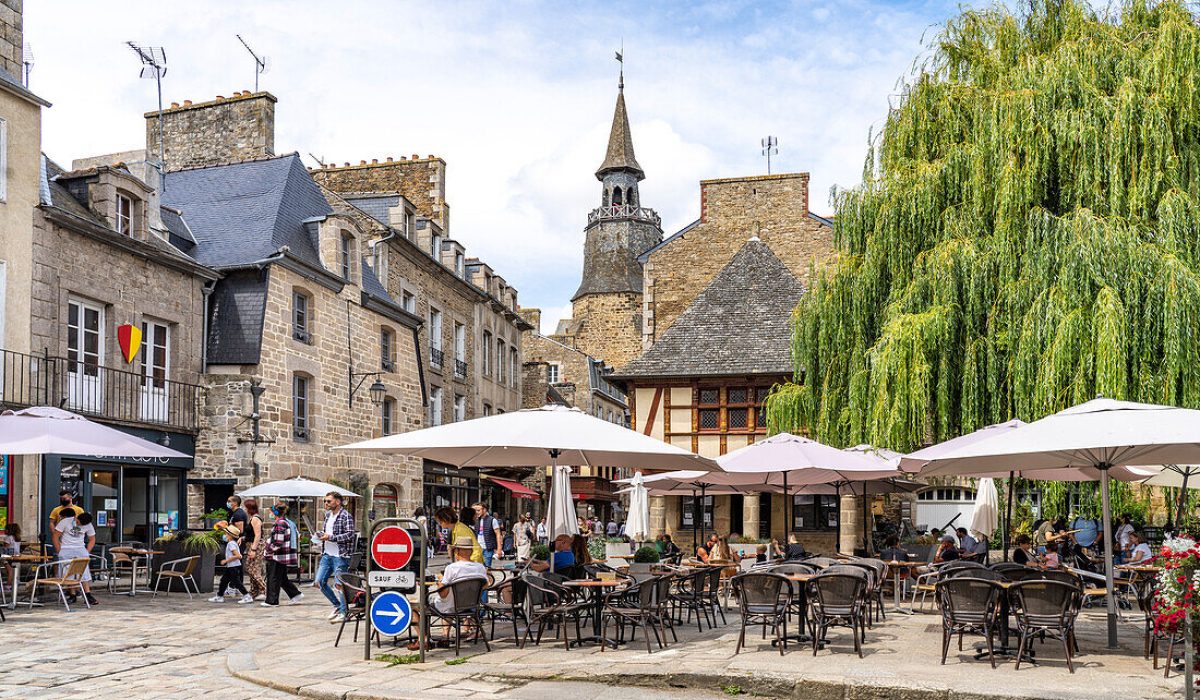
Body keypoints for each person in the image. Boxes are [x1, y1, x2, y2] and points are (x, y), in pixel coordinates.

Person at [316, 492, 356, 623]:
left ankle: (344, 613)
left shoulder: (346, 516)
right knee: (319, 582)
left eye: (328, 501)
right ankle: (337, 606)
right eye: (325, 501)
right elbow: (327, 533)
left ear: (337, 502)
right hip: (327, 554)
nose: (326, 504)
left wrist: (331, 537)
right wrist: (319, 536)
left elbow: (350, 535)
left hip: (341, 555)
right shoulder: (328, 515)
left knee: (339, 585)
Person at [262, 503, 304, 607]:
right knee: (281, 577)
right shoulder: (286, 522)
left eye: (270, 512)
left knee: (273, 577)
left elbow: (278, 542)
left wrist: (268, 548)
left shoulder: (280, 523)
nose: (269, 514)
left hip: (277, 555)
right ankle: (295, 594)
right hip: (282, 555)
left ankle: (272, 600)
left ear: (275, 512)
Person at [52, 509, 97, 606]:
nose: (78, 524)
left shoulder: (88, 525)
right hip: (66, 547)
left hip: (80, 548)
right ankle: (72, 594)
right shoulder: (65, 522)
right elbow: (55, 536)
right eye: (77, 522)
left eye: (80, 524)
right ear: (76, 517)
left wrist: (87, 551)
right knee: (68, 571)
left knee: (83, 570)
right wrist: (59, 550)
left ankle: (87, 594)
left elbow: (92, 539)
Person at [211, 524, 252, 603]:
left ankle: (247, 596)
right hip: (231, 566)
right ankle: (219, 596)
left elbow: (238, 556)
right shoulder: (233, 543)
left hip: (233, 567)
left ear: (230, 535)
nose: (225, 535)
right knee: (224, 581)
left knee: (237, 582)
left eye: (226, 534)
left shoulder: (231, 544)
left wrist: (226, 561)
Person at [242, 498, 267, 601]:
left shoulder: (256, 519)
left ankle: (263, 589)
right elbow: (251, 534)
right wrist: (243, 538)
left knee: (253, 569)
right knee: (250, 567)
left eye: (245, 507)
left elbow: (257, 535)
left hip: (256, 546)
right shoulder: (252, 518)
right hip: (251, 545)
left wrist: (253, 550)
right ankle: (254, 591)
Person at [471, 503, 502, 567]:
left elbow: (498, 534)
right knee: (477, 568)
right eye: (475, 510)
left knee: (487, 568)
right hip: (477, 549)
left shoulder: (492, 520)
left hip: (488, 549)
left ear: (484, 510)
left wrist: (499, 549)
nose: (476, 512)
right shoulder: (475, 520)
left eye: (478, 510)